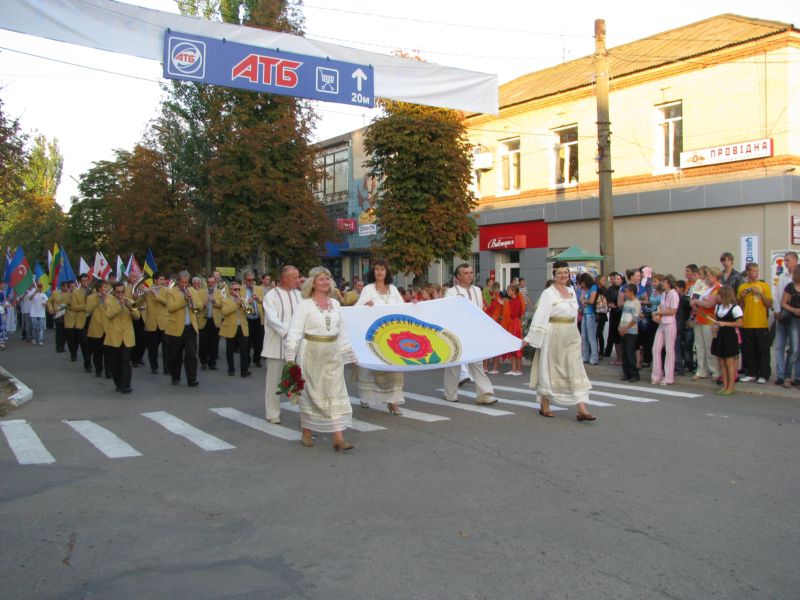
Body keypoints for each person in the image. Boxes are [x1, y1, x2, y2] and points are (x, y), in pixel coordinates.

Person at [285, 266, 357, 451]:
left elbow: (342, 333)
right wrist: (290, 358)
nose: (325, 282)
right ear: (313, 283)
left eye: (328, 278)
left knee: (335, 392)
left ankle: (338, 437)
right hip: (311, 353)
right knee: (311, 392)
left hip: (332, 353)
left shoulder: (336, 304)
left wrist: (350, 354)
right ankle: (307, 431)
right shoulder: (305, 305)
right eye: (321, 279)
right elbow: (294, 332)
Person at [523, 261, 596, 421]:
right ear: (554, 275)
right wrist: (530, 338)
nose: (563, 276)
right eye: (560, 273)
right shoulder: (549, 293)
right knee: (550, 369)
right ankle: (545, 404)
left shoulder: (571, 291)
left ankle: (582, 408)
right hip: (554, 334)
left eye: (565, 272)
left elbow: (574, 313)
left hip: (571, 334)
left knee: (575, 369)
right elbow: (540, 316)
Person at [355, 259, 407, 414]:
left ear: (387, 272)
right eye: (377, 269)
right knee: (372, 368)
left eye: (383, 269)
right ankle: (367, 398)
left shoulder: (393, 289)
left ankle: (393, 402)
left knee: (394, 369)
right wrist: (366, 306)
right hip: (373, 336)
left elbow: (403, 308)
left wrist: (414, 306)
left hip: (393, 336)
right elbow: (357, 309)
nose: (379, 272)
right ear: (373, 272)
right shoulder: (368, 289)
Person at [443, 263, 497, 405]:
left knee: (477, 363)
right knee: (454, 364)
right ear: (458, 276)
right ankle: (450, 393)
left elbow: (479, 310)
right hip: (457, 332)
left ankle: (484, 393)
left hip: (474, 332)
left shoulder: (477, 290)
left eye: (471, 272)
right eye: (466, 273)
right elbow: (448, 312)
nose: (470, 275)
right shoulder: (451, 292)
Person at [262, 265, 302, 424]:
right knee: (274, 381)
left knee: (299, 380)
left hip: (297, 345)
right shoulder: (271, 296)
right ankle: (272, 413)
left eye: (298, 276)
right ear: (284, 278)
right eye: (294, 277)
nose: (298, 280)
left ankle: (303, 413)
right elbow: (272, 319)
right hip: (276, 345)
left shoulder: (300, 295)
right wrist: (288, 333)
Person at [163, 271, 201, 387]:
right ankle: (175, 376)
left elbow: (199, 306)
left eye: (186, 282)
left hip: (190, 328)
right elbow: (170, 308)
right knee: (175, 355)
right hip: (176, 329)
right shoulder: (171, 292)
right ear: (178, 281)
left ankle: (191, 379)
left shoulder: (193, 291)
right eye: (182, 282)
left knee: (191, 355)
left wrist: (192, 301)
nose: (184, 284)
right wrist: (183, 300)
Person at [736, 262, 772, 384]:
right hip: (747, 323)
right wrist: (742, 296)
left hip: (761, 323)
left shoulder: (764, 285)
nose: (756, 273)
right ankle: (751, 373)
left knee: (763, 350)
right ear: (747, 272)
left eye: (757, 271)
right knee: (748, 350)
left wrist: (760, 293)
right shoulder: (742, 286)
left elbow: (769, 304)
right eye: (753, 271)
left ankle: (763, 374)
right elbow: (739, 305)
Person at [103, 281, 141, 393]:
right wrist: (119, 304)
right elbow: (109, 315)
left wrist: (129, 306)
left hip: (127, 336)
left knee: (125, 361)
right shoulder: (109, 301)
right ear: (114, 292)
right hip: (114, 337)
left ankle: (126, 385)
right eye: (118, 292)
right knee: (115, 363)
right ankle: (118, 383)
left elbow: (137, 316)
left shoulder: (130, 300)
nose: (120, 294)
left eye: (122, 292)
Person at [689, 267, 721, 381]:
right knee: (699, 345)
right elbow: (697, 299)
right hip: (699, 318)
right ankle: (701, 370)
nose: (706, 278)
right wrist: (695, 303)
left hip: (709, 320)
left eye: (708, 276)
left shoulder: (718, 288)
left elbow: (709, 304)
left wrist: (696, 302)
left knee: (709, 346)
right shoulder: (706, 287)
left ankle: (715, 371)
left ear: (714, 276)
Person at [711, 285, 743, 395]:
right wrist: (715, 326)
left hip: (729, 336)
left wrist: (725, 323)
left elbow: (740, 323)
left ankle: (731, 387)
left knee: (729, 363)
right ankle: (725, 385)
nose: (717, 297)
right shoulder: (718, 308)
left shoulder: (735, 308)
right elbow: (716, 321)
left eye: (719, 295)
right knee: (721, 362)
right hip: (719, 336)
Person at [773, 251, 799, 386]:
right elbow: (776, 295)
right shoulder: (782, 277)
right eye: (785, 260)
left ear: (795, 260)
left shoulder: (797, 277)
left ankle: (797, 376)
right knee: (780, 346)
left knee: (795, 347)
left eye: (788, 260)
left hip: (796, 318)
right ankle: (781, 375)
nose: (786, 263)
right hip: (784, 315)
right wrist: (777, 311)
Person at [137, 272, 169, 374]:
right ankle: (154, 367)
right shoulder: (148, 290)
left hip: (164, 323)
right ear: (155, 280)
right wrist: (143, 294)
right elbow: (137, 304)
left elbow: (167, 302)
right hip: (151, 323)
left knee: (166, 348)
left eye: (164, 279)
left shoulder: (167, 290)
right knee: (152, 348)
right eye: (161, 279)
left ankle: (167, 368)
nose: (163, 282)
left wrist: (155, 294)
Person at [650, 275, 679, 385]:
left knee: (669, 350)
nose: (663, 283)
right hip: (662, 323)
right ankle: (656, 374)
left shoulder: (674, 294)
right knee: (655, 348)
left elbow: (672, 311)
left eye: (665, 282)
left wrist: (659, 313)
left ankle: (668, 377)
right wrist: (657, 315)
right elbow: (661, 307)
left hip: (670, 323)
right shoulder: (663, 294)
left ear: (669, 283)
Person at [220, 280, 251, 378]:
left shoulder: (242, 298)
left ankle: (244, 371)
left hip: (242, 327)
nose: (237, 291)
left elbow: (249, 311)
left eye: (238, 289)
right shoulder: (225, 300)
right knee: (230, 350)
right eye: (235, 289)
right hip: (230, 327)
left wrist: (247, 304)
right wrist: (236, 304)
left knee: (244, 350)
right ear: (230, 290)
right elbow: (225, 311)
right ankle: (231, 369)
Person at [64, 274, 92, 372]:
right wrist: (86, 306)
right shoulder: (75, 293)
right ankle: (87, 364)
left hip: (93, 320)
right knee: (84, 344)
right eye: (83, 281)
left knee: (93, 345)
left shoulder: (94, 291)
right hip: (81, 321)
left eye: (87, 280)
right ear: (80, 282)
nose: (85, 282)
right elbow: (74, 307)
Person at [779, 264, 800, 389]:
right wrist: (794, 310)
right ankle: (787, 376)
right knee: (794, 349)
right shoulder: (790, 287)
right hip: (793, 320)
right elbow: (783, 304)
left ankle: (798, 376)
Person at [85, 283, 110, 378]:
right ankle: (98, 370)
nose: (106, 289)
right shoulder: (91, 297)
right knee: (97, 353)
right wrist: (98, 299)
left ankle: (109, 372)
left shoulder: (110, 297)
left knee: (108, 352)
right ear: (99, 288)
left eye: (107, 287)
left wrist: (106, 298)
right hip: (96, 327)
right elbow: (88, 309)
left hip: (108, 327)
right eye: (105, 287)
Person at [618, 283, 641, 382]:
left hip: (631, 331)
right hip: (623, 329)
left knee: (629, 352)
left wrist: (626, 328)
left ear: (631, 292)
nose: (625, 293)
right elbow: (624, 316)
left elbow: (635, 318)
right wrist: (620, 327)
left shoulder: (636, 303)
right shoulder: (627, 302)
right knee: (624, 353)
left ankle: (634, 374)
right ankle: (626, 373)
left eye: (626, 291)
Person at [499, 284, 524, 375]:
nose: (507, 292)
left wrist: (506, 304)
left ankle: (519, 369)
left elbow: (514, 314)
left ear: (513, 291)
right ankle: (514, 369)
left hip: (515, 324)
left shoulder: (517, 301)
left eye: (509, 290)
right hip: (512, 324)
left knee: (517, 346)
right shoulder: (511, 301)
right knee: (513, 346)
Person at [243, 271, 264, 368]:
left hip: (258, 318)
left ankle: (257, 359)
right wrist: (247, 302)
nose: (251, 282)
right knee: (247, 341)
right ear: (245, 280)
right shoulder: (241, 290)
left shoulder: (259, 289)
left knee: (259, 341)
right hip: (247, 318)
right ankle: (246, 360)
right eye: (249, 280)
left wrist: (258, 298)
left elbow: (266, 301)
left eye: (252, 280)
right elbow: (240, 302)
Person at [577, 272, 599, 365]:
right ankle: (585, 356)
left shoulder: (593, 287)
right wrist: (584, 301)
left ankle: (594, 357)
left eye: (582, 283)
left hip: (591, 314)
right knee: (583, 336)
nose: (581, 285)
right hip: (584, 314)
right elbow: (581, 300)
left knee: (591, 337)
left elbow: (591, 301)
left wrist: (584, 301)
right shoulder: (583, 289)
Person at [47, 281, 68, 353]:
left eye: (67, 287)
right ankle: (58, 347)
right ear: (61, 286)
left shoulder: (69, 294)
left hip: (66, 315)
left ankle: (62, 346)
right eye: (64, 287)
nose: (66, 288)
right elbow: (49, 302)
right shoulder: (55, 293)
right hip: (57, 314)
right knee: (59, 331)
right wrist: (51, 309)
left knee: (65, 332)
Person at [0, 282, 9, 350]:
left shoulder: (2, 292)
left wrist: (6, 304)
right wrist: (3, 304)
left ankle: (1, 342)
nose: (3, 286)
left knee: (2, 327)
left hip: (2, 312)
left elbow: (4, 301)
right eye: (2, 284)